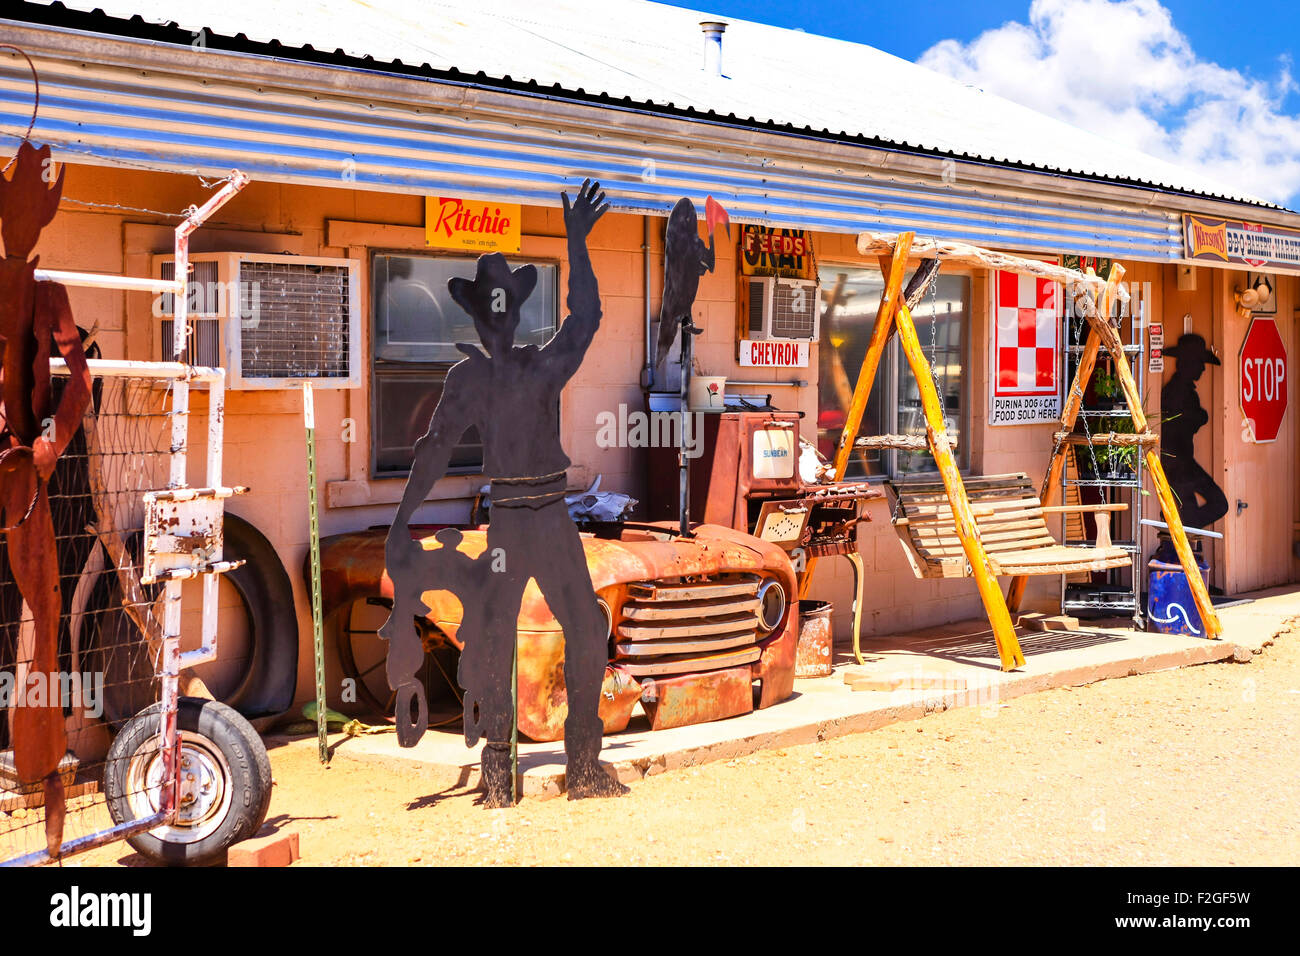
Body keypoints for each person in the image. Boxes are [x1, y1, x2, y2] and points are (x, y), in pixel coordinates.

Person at [382, 180, 626, 805]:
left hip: (546, 515)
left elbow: (587, 319)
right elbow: (433, 448)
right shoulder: (469, 378)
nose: (498, 315)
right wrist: (402, 518)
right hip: (513, 522)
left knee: (584, 627)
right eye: (491, 308)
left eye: (504, 306)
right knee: (493, 631)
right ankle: (498, 772)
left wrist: (577, 244)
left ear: (513, 311)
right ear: (483, 314)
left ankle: (584, 762)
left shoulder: (539, 365)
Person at [1160, 332, 1228, 532]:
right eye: (1199, 363)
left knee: (1207, 507)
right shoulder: (1177, 391)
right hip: (1177, 466)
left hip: (1183, 464)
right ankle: (1181, 536)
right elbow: (1183, 420)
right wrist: (1198, 416)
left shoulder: (1184, 391)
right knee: (1214, 505)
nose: (1203, 368)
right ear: (1188, 363)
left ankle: (1182, 533)